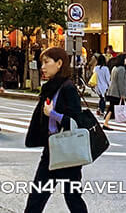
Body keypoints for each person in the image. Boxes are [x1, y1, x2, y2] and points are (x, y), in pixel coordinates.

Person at [22, 46, 87, 213]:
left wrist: (54, 114)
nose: (42, 66)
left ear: (59, 63)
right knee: (37, 195)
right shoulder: (50, 87)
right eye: (41, 62)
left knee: (72, 197)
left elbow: (75, 121)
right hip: (52, 147)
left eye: (46, 62)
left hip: (68, 149)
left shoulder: (68, 87)